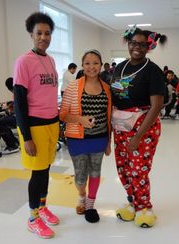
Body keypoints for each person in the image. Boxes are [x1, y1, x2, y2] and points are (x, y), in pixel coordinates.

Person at [111, 26, 167, 228]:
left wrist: (137, 136)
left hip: (144, 128)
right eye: (133, 43)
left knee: (138, 170)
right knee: (123, 168)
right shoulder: (120, 67)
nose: (137, 47)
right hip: (121, 126)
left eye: (142, 44)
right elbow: (116, 96)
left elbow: (156, 106)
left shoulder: (153, 71)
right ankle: (132, 203)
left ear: (148, 47)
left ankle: (145, 208)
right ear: (128, 43)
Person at [13, 12, 59, 239]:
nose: (43, 37)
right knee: (38, 173)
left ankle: (42, 207)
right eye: (39, 33)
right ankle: (33, 218)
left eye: (47, 33)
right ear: (31, 35)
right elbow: (19, 102)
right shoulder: (24, 61)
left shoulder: (51, 60)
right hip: (35, 127)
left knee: (47, 169)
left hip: (52, 124)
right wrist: (26, 136)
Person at [60, 49, 112, 223]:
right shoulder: (73, 88)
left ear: (100, 64)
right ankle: (81, 196)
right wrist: (80, 119)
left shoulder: (106, 88)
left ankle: (90, 204)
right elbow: (63, 115)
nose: (91, 67)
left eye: (95, 63)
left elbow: (108, 115)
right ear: (82, 65)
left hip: (99, 139)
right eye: (88, 63)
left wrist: (108, 141)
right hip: (77, 139)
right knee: (81, 175)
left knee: (95, 173)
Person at [0, 77, 19, 154]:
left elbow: (17, 111)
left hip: (20, 119)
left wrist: (10, 111)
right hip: (24, 117)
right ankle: (14, 142)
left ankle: (12, 146)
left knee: (0, 122)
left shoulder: (16, 93)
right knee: (3, 120)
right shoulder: (19, 90)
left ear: (9, 88)